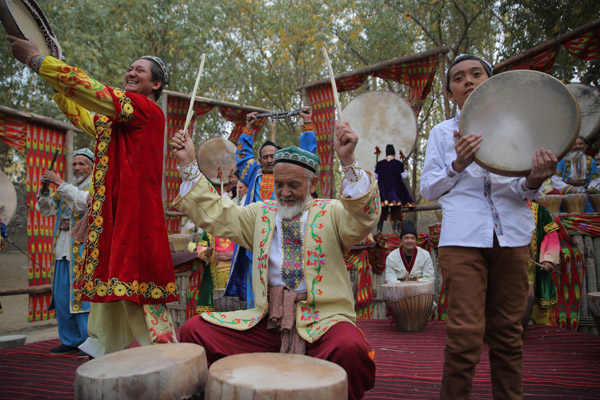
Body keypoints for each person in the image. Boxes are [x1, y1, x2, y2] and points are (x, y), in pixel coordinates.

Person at [170, 121, 380, 400]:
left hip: (323, 321)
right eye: (279, 184)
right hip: (268, 320)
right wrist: (188, 165)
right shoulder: (260, 213)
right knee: (194, 331)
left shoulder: (334, 212)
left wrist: (349, 162)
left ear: (313, 183)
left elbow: (363, 217)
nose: (284, 192)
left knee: (351, 349)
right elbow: (218, 213)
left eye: (294, 184)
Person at [7, 36, 177, 357]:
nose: (130, 72)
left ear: (155, 84)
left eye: (139, 70)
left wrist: (38, 62)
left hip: (135, 221)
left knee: (140, 292)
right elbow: (81, 114)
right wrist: (57, 85)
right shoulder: (116, 120)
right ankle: (110, 360)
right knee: (115, 293)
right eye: (129, 68)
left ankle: (169, 364)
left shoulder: (146, 110)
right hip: (115, 221)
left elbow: (92, 92)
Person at [420, 54, 557, 400]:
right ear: (450, 93)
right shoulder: (442, 133)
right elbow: (428, 189)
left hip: (512, 236)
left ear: (491, 81)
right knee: (465, 336)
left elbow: (522, 191)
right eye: (458, 78)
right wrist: (457, 164)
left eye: (476, 74)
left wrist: (534, 180)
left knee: (509, 335)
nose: (468, 81)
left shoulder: (516, 129)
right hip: (461, 240)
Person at [227, 107, 317, 306]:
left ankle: (290, 313)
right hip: (258, 236)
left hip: (287, 235)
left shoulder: (288, 174)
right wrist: (249, 128)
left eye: (273, 156)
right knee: (255, 276)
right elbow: (242, 157)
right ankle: (256, 312)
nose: (269, 159)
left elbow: (307, 156)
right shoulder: (253, 173)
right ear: (259, 161)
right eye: (265, 157)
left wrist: (307, 123)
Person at [34, 148, 93, 357]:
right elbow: (47, 210)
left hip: (85, 252)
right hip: (63, 250)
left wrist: (59, 183)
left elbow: (82, 202)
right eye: (75, 164)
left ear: (93, 166)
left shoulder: (96, 185)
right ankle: (70, 340)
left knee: (83, 298)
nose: (77, 168)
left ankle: (90, 341)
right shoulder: (69, 185)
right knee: (62, 298)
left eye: (82, 163)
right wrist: (44, 191)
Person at [528, 201, 560, 325]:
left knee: (539, 308)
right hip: (509, 263)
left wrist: (548, 259)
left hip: (535, 264)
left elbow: (551, 235)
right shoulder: (500, 208)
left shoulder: (540, 211)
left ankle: (543, 331)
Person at [551, 136, 600, 212]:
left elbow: (596, 178)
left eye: (580, 144)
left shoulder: (591, 160)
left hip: (585, 194)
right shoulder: (563, 160)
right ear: (570, 146)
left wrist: (591, 187)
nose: (577, 146)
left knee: (590, 214)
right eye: (574, 144)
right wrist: (569, 188)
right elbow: (555, 178)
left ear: (585, 146)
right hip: (566, 195)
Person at [374, 144, 415, 233]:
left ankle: (379, 229)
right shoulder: (398, 163)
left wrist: (376, 169)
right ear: (394, 153)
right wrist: (405, 169)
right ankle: (396, 229)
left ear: (386, 153)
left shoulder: (380, 164)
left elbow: (375, 177)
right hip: (395, 192)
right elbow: (404, 176)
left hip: (383, 192)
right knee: (396, 210)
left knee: (383, 210)